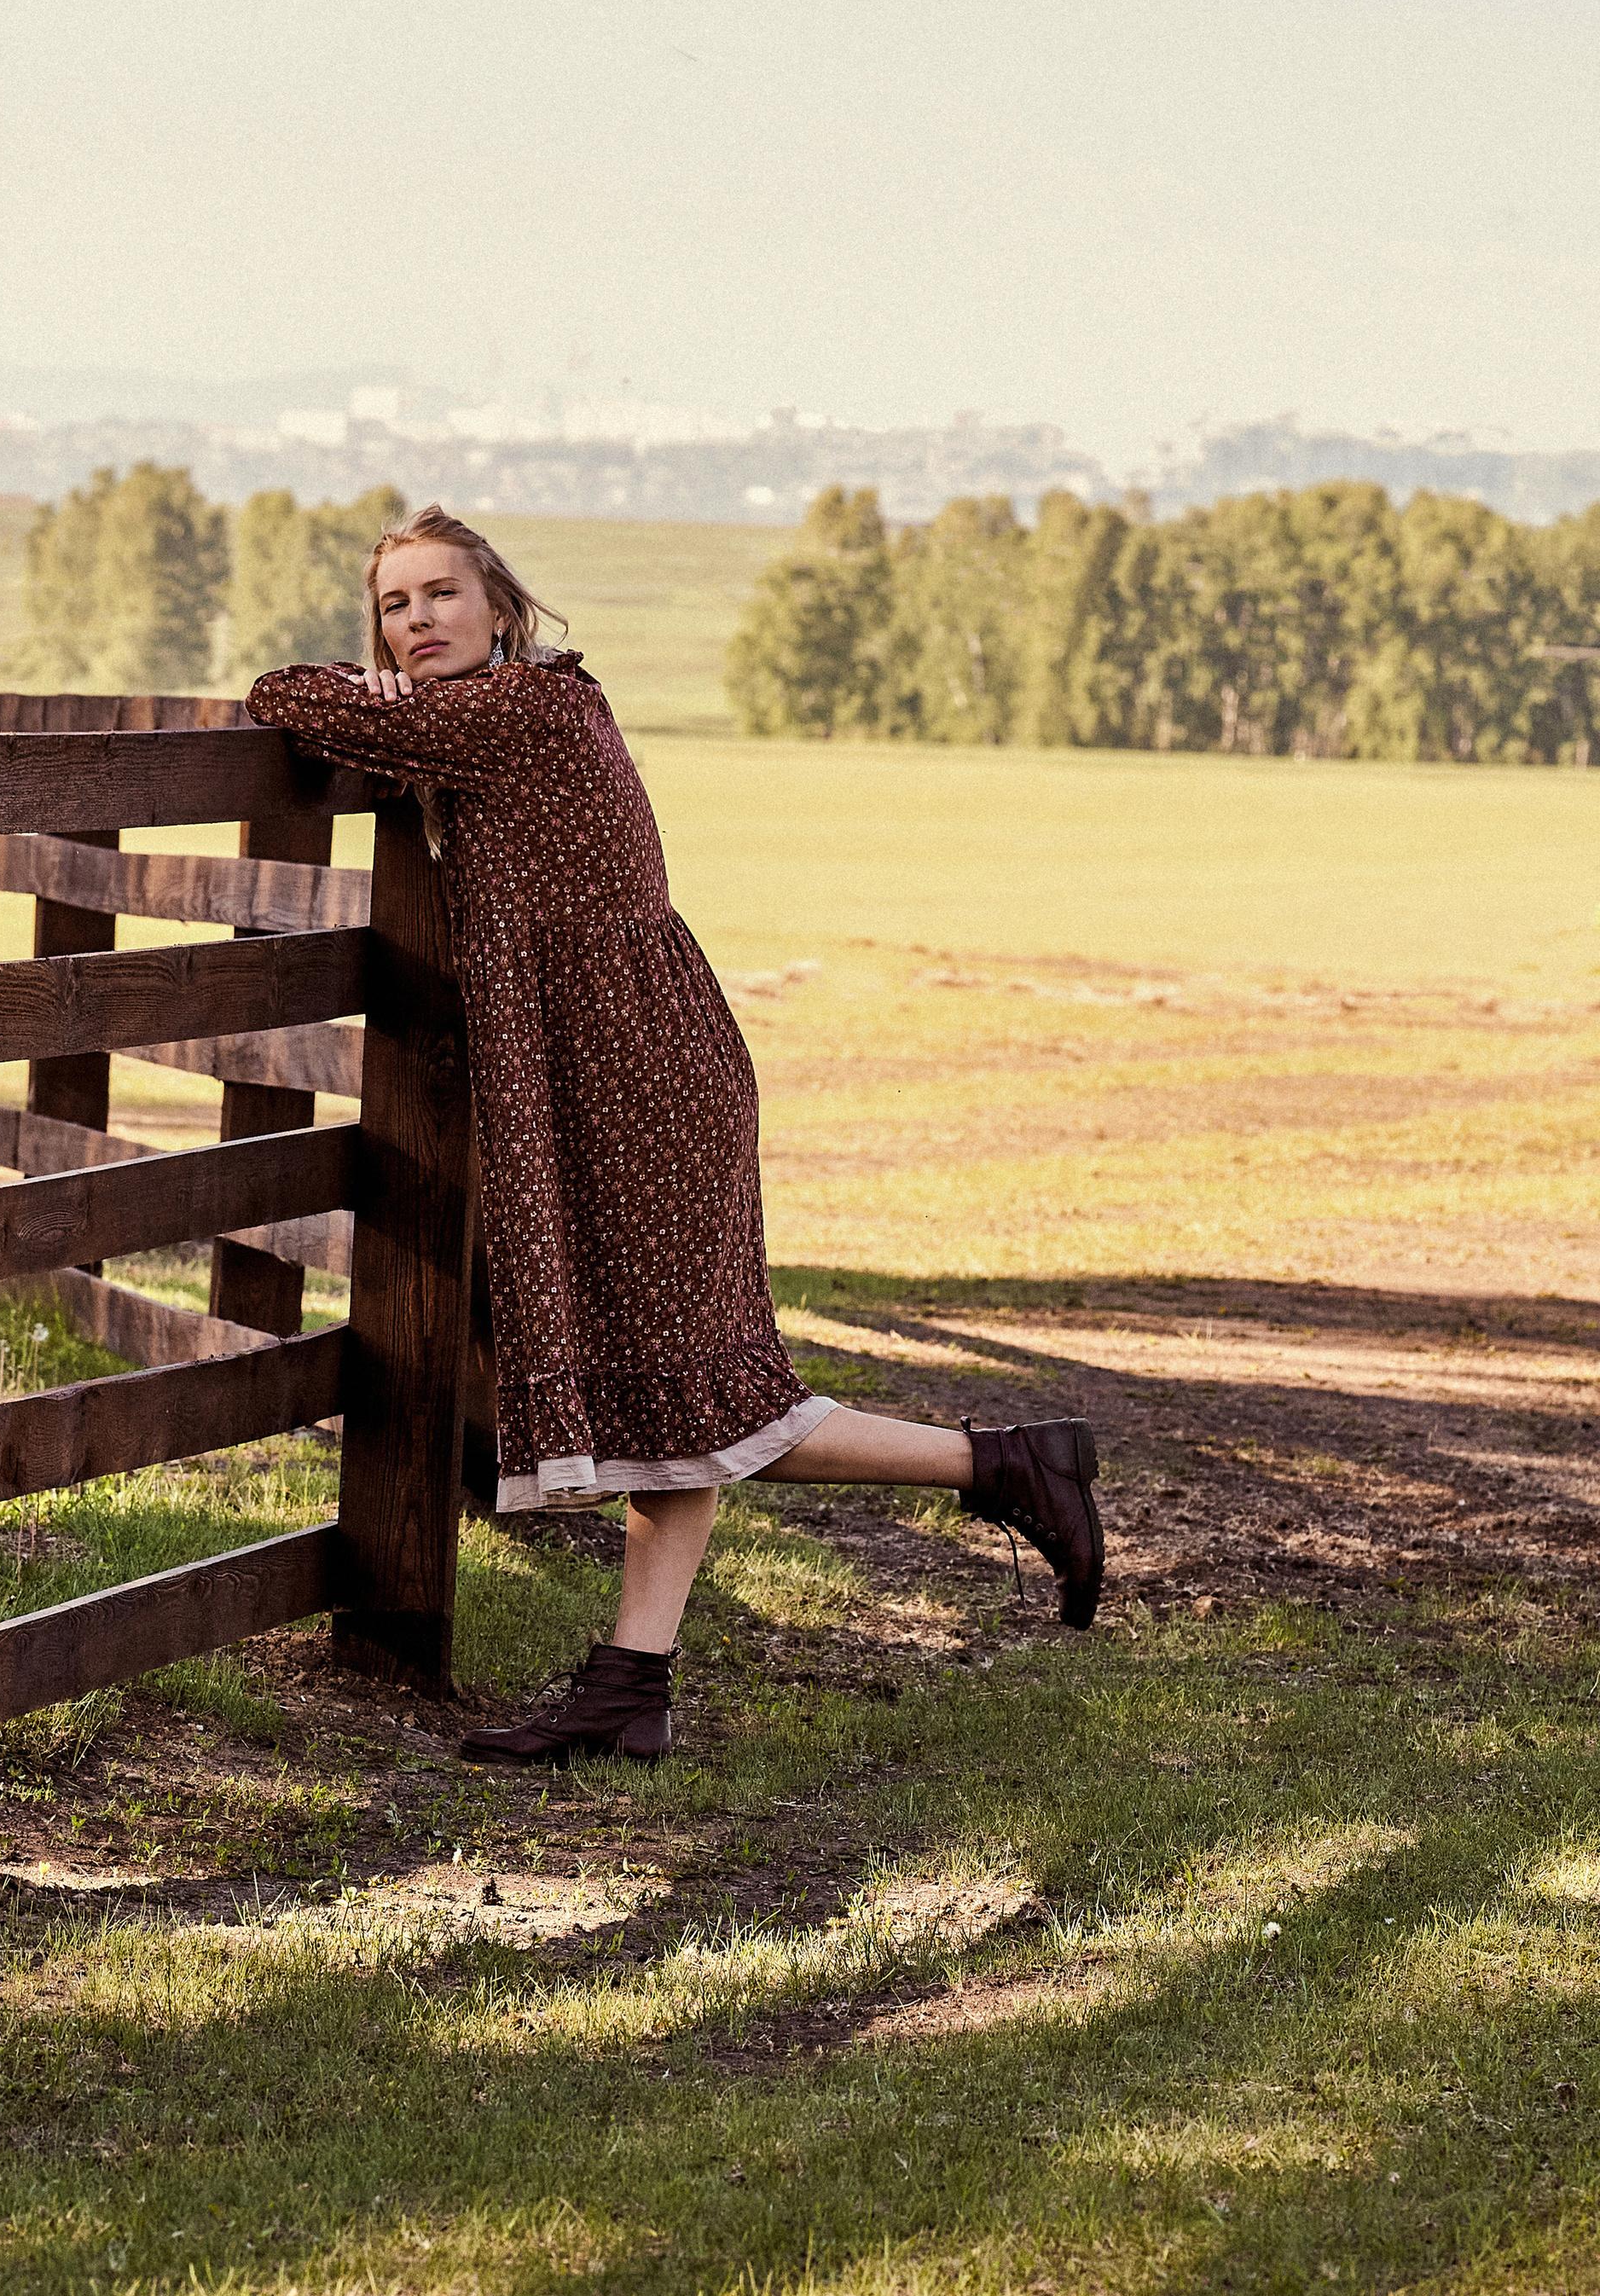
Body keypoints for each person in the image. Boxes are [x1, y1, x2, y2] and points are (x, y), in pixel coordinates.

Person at [246, 504, 1103, 1766]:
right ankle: (634, 1682)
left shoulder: (522, 712)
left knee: (693, 1390)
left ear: (501, 607)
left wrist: (355, 688)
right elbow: (365, 735)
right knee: (672, 1393)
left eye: (439, 595)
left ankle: (1001, 1465)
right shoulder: (497, 718)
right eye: (393, 606)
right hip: (623, 1062)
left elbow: (279, 694)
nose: (418, 621)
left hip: (638, 1077)